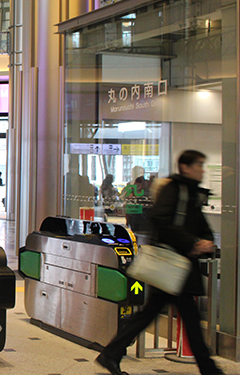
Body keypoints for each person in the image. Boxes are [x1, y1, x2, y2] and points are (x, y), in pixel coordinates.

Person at [96, 150, 224, 375]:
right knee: (188, 322)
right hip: (173, 265)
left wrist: (206, 241)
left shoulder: (190, 192)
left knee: (150, 315)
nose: (202, 170)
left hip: (177, 267)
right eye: (199, 165)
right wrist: (193, 242)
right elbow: (160, 220)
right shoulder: (176, 189)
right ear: (186, 167)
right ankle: (209, 369)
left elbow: (199, 225)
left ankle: (111, 354)